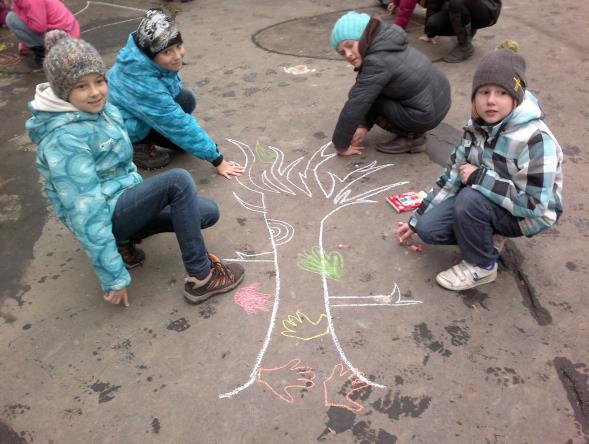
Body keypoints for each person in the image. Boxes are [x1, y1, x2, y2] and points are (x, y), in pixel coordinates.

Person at [27, 30, 245, 307]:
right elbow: (86, 215)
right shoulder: (64, 141)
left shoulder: (104, 111)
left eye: (99, 81)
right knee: (177, 182)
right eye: (81, 86)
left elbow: (122, 163)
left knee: (206, 213)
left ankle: (125, 240)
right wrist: (113, 277)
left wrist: (141, 200)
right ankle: (202, 277)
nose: (95, 92)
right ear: (63, 90)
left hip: (122, 202)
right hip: (106, 215)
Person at [396, 47, 563, 291]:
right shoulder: (474, 129)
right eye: (484, 92)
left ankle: (482, 266)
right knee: (428, 229)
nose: (491, 100)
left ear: (516, 98)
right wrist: (415, 220)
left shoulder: (536, 139)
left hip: (528, 214)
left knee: (470, 197)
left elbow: (534, 204)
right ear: (475, 97)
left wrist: (480, 178)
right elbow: (451, 176)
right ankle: (486, 236)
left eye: (502, 93)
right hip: (490, 200)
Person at [107, 9, 244, 175]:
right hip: (118, 130)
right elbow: (176, 121)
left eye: (178, 46)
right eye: (167, 52)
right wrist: (217, 159)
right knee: (174, 121)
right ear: (151, 54)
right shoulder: (142, 83)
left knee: (186, 99)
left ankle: (162, 137)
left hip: (130, 113)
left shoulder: (145, 59)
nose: (177, 56)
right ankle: (136, 147)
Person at [330, 11, 451, 154]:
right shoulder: (387, 44)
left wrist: (341, 145)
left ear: (363, 36)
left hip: (424, 115)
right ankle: (413, 132)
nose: (348, 54)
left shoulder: (377, 61)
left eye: (349, 45)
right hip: (438, 102)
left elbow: (358, 101)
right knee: (370, 91)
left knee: (366, 96)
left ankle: (412, 138)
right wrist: (363, 125)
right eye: (342, 52)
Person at [4, 0, 80, 67]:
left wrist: (15, 11)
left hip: (65, 38)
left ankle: (44, 55)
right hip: (65, 32)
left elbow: (39, 27)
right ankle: (44, 51)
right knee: (13, 16)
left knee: (11, 18)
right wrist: (24, 45)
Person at [422, 0, 501, 63]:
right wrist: (429, 33)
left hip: (487, 8)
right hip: (460, 7)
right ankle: (467, 30)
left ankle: (465, 46)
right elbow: (433, 4)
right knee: (433, 23)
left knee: (456, 2)